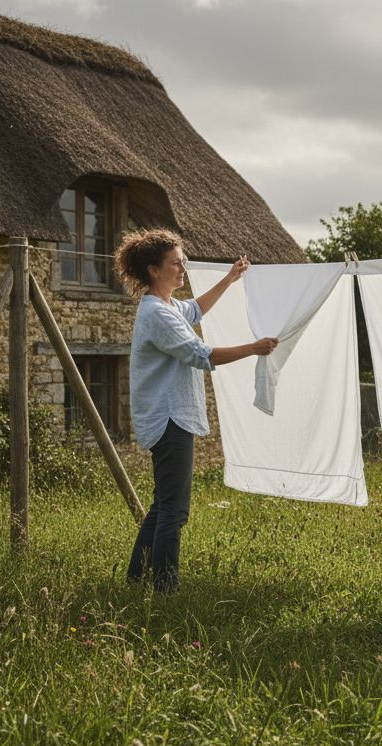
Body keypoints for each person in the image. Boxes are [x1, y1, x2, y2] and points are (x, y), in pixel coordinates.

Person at [113, 229, 278, 593]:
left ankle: (136, 580)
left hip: (171, 417)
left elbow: (197, 308)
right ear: (155, 270)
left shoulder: (169, 306)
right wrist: (254, 348)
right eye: (176, 263)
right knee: (175, 511)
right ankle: (165, 590)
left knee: (163, 505)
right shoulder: (158, 314)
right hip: (170, 419)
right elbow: (201, 355)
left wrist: (230, 278)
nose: (182, 268)